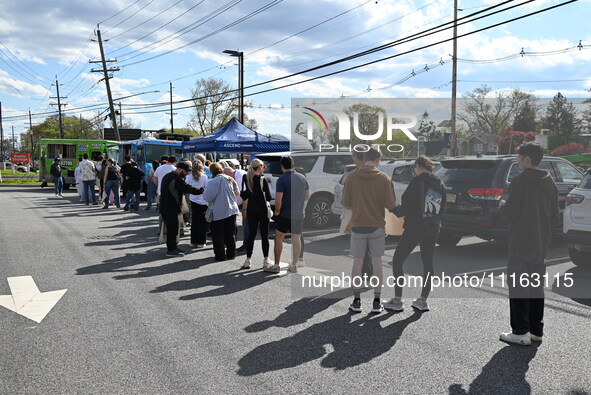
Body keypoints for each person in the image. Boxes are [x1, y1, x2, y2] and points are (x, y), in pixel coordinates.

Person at [499, 143, 559, 346]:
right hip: (540, 242)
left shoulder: (520, 181)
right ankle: (536, 330)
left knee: (517, 286)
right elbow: (554, 215)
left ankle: (520, 331)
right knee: (535, 287)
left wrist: (503, 205)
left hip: (521, 241)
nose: (517, 160)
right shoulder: (549, 181)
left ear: (527, 159)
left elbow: (511, 213)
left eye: (519, 157)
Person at [383, 156, 446, 313]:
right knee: (428, 264)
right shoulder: (439, 183)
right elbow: (443, 208)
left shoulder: (417, 182)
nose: (414, 171)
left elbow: (406, 206)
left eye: (414, 168)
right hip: (433, 227)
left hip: (415, 227)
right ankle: (423, 300)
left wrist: (393, 209)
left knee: (397, 260)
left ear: (418, 166)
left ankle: (397, 300)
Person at [341, 148, 396, 314]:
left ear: (364, 159)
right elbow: (391, 205)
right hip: (377, 225)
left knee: (357, 262)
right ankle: (376, 301)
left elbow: (345, 202)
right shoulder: (385, 178)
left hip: (357, 224)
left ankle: (357, 301)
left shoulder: (352, 177)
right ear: (378, 159)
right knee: (377, 263)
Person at [271, 156, 310, 274]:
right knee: (296, 239)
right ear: (293, 164)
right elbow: (307, 196)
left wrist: (277, 211)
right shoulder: (302, 178)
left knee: (279, 239)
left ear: (282, 166)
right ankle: (294, 264)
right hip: (298, 213)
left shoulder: (282, 180)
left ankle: (276, 265)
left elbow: (278, 200)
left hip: (285, 213)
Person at [159, 162, 204, 257]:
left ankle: (173, 247)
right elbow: (186, 188)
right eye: (186, 171)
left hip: (166, 207)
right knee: (172, 229)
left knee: (173, 228)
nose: (187, 173)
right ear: (180, 169)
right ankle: (171, 250)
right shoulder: (175, 178)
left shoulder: (168, 176)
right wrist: (200, 191)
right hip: (170, 207)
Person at [203, 162, 240, 261]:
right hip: (232, 209)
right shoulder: (230, 179)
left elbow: (207, 197)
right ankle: (231, 254)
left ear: (211, 171)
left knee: (218, 234)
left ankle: (220, 255)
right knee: (230, 234)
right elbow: (237, 193)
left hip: (218, 211)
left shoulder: (212, 182)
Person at [241, 159, 273, 270]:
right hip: (263, 210)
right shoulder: (262, 179)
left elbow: (243, 195)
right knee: (265, 235)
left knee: (251, 235)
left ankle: (248, 260)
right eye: (263, 166)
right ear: (259, 167)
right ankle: (265, 260)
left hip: (251, 210)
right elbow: (268, 197)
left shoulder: (246, 178)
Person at [186, 160, 209, 248]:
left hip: (193, 200)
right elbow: (206, 188)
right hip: (203, 201)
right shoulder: (204, 177)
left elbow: (187, 187)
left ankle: (193, 241)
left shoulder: (188, 177)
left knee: (194, 221)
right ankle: (201, 242)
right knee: (202, 222)